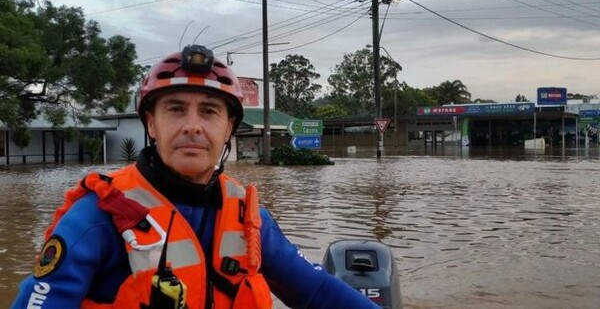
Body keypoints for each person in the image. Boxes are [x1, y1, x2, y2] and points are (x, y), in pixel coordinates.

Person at [11, 45, 380, 309]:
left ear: (229, 128)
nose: (192, 127)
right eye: (175, 110)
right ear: (152, 124)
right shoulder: (98, 218)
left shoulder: (249, 221)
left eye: (208, 112)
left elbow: (316, 291)